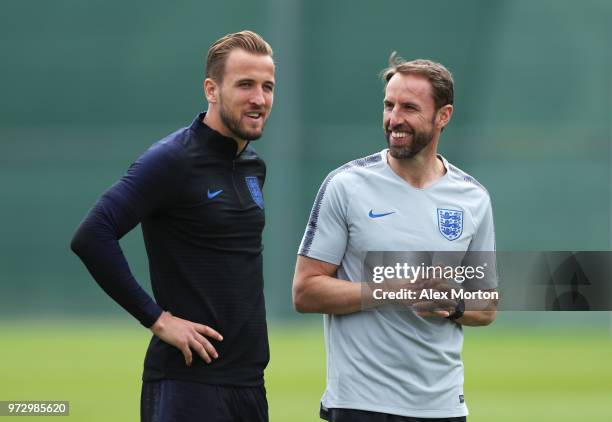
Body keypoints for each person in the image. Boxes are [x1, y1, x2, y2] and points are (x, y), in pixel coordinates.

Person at [71, 30, 275, 422]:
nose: (259, 99)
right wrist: (157, 319)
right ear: (211, 90)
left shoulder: (253, 166)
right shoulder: (173, 159)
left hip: (249, 385)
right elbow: (92, 234)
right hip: (187, 386)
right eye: (245, 85)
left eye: (267, 86)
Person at [293, 54, 497, 422]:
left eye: (409, 107)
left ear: (443, 116)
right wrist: (397, 290)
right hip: (360, 404)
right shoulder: (346, 186)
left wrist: (454, 306)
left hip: (443, 407)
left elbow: (487, 304)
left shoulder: (474, 198)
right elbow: (305, 291)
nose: (394, 119)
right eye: (389, 105)